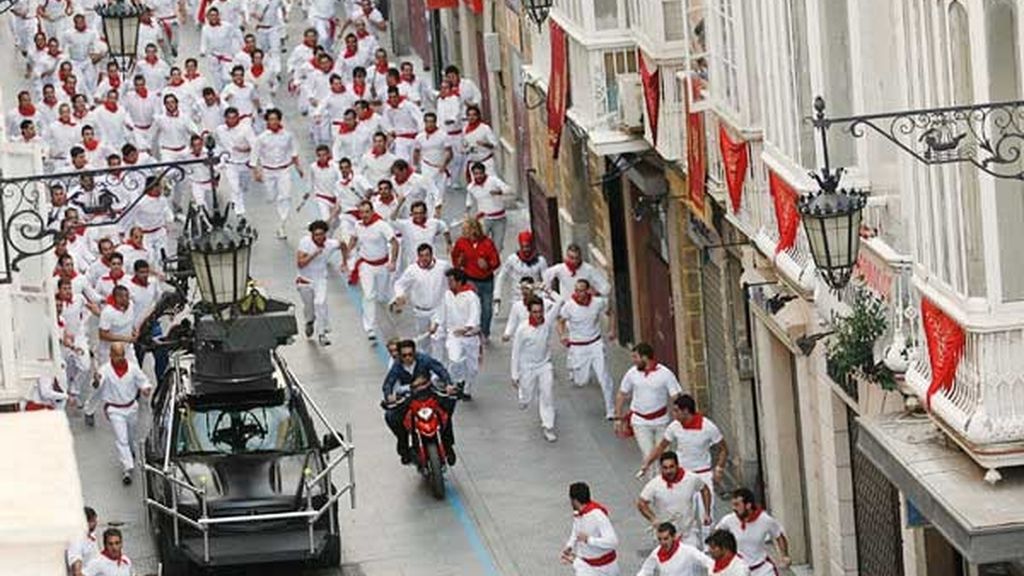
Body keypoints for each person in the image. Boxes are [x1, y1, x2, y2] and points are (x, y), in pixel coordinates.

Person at [638, 394, 730, 541]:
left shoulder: (708, 427)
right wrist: (647, 462)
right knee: (684, 511)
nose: (673, 414)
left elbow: (724, 448)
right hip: (683, 475)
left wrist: (719, 468)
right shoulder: (674, 427)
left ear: (685, 411)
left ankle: (708, 546)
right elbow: (662, 446)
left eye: (676, 411)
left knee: (706, 513)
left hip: (703, 473)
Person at [381, 339, 458, 465]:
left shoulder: (424, 359)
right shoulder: (396, 366)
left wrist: (449, 384)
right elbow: (388, 383)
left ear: (415, 352)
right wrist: (389, 396)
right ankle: (404, 448)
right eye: (404, 355)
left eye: (410, 354)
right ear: (400, 355)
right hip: (410, 398)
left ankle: (448, 446)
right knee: (391, 416)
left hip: (428, 394)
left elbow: (440, 369)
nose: (408, 358)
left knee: (447, 409)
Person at [614, 343, 683, 469]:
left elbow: (676, 397)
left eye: (635, 357)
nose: (633, 360)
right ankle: (655, 485)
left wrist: (679, 418)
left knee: (663, 455)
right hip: (640, 422)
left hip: (661, 421)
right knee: (648, 455)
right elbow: (621, 394)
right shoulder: (632, 373)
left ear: (645, 357)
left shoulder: (665, 374)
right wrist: (618, 418)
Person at [557, 278, 617, 419]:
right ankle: (573, 364)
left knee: (604, 376)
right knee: (581, 381)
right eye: (576, 290)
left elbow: (610, 311)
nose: (578, 293)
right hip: (578, 347)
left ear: (588, 291)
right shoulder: (569, 306)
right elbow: (560, 321)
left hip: (595, 344)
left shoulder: (597, 303)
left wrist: (612, 329)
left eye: (582, 290)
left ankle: (611, 409)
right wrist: (562, 335)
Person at [94, 342, 152, 485]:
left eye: (121, 355)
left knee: (131, 436)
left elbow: (143, 381)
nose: (119, 358)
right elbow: (97, 384)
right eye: (116, 356)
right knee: (122, 439)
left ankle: (131, 452)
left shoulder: (133, 369)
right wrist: (96, 380)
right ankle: (128, 468)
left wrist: (145, 389)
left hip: (131, 407)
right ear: (111, 355)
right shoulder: (105, 370)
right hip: (114, 410)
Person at [341, 200, 399, 341]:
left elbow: (394, 242)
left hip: (382, 265)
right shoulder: (358, 225)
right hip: (366, 265)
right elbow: (353, 239)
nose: (364, 215)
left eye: (367, 212)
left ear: (372, 211)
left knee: (381, 296)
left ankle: (389, 311)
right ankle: (370, 328)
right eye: (361, 212)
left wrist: (393, 261)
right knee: (368, 295)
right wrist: (346, 256)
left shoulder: (382, 225)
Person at [511, 295, 561, 442]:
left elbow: (559, 302)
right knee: (527, 397)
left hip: (545, 365)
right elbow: (516, 352)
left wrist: (549, 291)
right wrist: (514, 374)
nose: (538, 315)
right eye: (535, 312)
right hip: (527, 367)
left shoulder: (548, 322)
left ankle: (548, 426)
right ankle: (523, 396)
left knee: (547, 394)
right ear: (529, 312)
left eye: (540, 311)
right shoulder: (522, 329)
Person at [637, 451, 712, 548]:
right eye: (665, 468)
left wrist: (707, 512)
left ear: (677, 465)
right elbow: (641, 503)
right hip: (665, 536)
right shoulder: (655, 484)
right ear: (661, 468)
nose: (668, 471)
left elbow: (705, 490)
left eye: (671, 467)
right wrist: (653, 519)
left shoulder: (691, 478)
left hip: (688, 533)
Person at [390, 243, 451, 358]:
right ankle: (427, 364)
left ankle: (436, 369)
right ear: (418, 256)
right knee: (424, 342)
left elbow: (452, 278)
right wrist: (400, 295)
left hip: (438, 309)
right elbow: (400, 284)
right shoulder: (412, 270)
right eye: (422, 256)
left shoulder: (443, 266)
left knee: (438, 339)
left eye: (427, 255)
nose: (425, 258)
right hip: (420, 311)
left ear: (432, 255)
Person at [430, 268, 481, 399]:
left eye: (451, 280)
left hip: (470, 337)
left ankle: (467, 389)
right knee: (455, 358)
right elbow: (441, 312)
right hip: (453, 335)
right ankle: (457, 381)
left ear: (459, 282)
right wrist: (436, 324)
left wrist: (467, 328)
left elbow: (475, 315)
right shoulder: (447, 295)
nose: (449, 283)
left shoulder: (471, 297)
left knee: (473, 368)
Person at [253, 108, 304, 238]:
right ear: (267, 122)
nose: (273, 122)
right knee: (271, 197)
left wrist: (298, 167)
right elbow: (255, 155)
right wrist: (256, 172)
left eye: (275, 119)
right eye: (270, 119)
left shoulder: (288, 136)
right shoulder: (261, 138)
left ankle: (282, 225)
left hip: (283, 170)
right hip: (268, 171)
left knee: (285, 197)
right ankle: (275, 215)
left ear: (279, 120)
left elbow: (294, 152)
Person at [716, 489, 790, 576]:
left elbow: (779, 535)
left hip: (763, 570)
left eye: (737, 505)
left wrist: (784, 555)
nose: (734, 508)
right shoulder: (729, 520)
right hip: (739, 570)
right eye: (733, 505)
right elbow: (716, 536)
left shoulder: (765, 520)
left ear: (748, 505)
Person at [450, 218, 500, 343]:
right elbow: (454, 256)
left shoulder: (487, 243)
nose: (463, 232)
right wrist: (458, 264)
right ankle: (474, 330)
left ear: (474, 229)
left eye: (465, 229)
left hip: (487, 281)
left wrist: (487, 265)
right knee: (474, 306)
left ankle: (485, 332)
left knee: (487, 308)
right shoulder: (461, 242)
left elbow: (496, 261)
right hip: (470, 279)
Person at [296, 220, 342, 346]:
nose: (319, 237)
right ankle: (310, 321)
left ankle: (322, 334)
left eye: (321, 234)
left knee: (320, 303)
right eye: (316, 234)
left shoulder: (330, 244)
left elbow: (342, 244)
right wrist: (314, 254)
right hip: (304, 280)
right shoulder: (305, 242)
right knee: (309, 307)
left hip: (320, 279)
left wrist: (345, 261)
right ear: (311, 235)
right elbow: (300, 263)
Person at [561, 482, 620, 576]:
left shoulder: (597, 515)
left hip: (604, 569)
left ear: (574, 500)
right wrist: (570, 545)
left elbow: (613, 542)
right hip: (586, 566)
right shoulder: (578, 512)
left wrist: (589, 540)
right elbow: (576, 529)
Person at [494, 230, 548, 316]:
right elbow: (501, 277)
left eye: (528, 246)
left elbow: (547, 281)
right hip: (517, 299)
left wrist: (545, 297)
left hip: (535, 299)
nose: (526, 249)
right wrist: (497, 296)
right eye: (523, 246)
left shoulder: (541, 261)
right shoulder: (512, 259)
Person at [215, 106, 257, 215]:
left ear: (238, 118)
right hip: (230, 164)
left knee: (243, 188)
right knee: (235, 188)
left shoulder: (246, 129)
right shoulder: (220, 130)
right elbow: (218, 145)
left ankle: (238, 204)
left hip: (244, 164)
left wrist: (252, 162)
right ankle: (240, 212)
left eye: (233, 118)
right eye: (228, 118)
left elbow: (255, 146)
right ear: (225, 118)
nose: (231, 120)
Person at [635, 522, 714, 576]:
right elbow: (645, 571)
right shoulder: (656, 553)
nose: (662, 542)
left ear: (674, 537)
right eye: (660, 539)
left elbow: (709, 562)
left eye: (666, 539)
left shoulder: (688, 551)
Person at [464, 161, 510, 250]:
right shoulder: (471, 187)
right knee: (480, 245)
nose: (478, 176)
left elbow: (508, 189)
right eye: (476, 174)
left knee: (498, 246)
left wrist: (499, 192)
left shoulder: (493, 180)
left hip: (499, 219)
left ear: (484, 172)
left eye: (480, 173)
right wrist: (467, 214)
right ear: (473, 174)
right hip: (483, 220)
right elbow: (468, 202)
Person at [544, 243, 612, 298]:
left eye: (577, 258)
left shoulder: (589, 269)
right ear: (567, 257)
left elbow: (606, 286)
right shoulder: (560, 268)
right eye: (571, 258)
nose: (574, 261)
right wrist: (550, 293)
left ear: (580, 257)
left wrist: (597, 293)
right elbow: (547, 274)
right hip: (567, 307)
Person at [462, 105, 497, 178]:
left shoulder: (485, 128)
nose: (471, 117)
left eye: (474, 115)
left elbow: (494, 144)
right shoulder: (465, 129)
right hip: (473, 164)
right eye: (469, 115)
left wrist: (484, 144)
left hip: (486, 162)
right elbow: (463, 146)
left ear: (478, 116)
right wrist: (466, 149)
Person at [66, 506, 100, 576]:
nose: (96, 523)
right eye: (93, 521)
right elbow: (77, 572)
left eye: (95, 520)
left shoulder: (92, 537)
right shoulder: (77, 541)